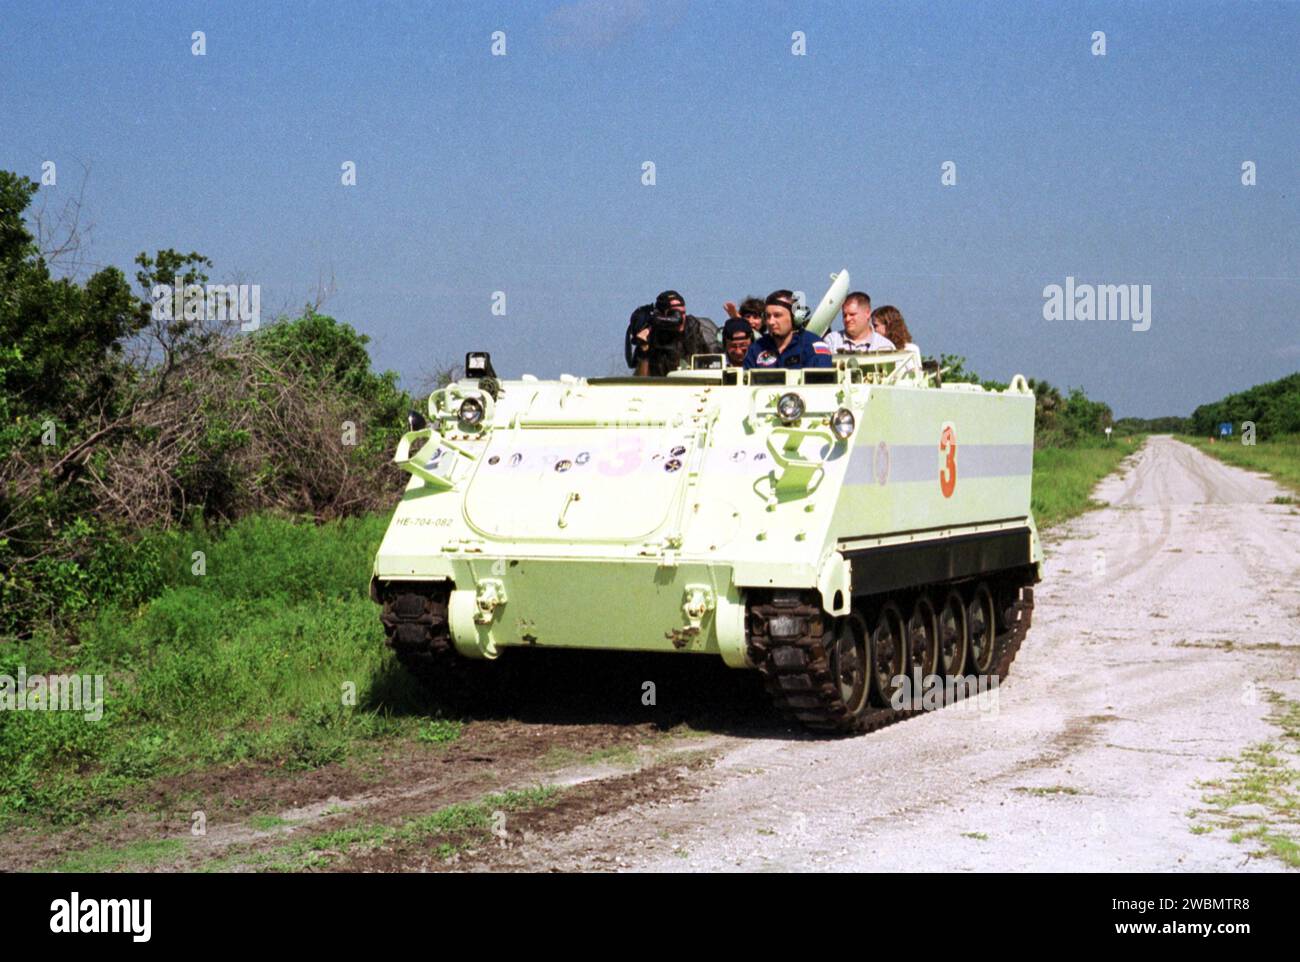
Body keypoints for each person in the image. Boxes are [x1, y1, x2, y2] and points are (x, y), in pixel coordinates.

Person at [629, 290, 719, 377]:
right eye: (675, 313)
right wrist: (644, 349)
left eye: (683, 313)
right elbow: (641, 380)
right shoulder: (652, 336)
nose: (680, 318)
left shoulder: (697, 330)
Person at [742, 290, 833, 370]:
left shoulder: (813, 346)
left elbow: (821, 385)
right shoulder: (756, 348)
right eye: (768, 316)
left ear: (795, 318)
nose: (771, 322)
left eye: (777, 315)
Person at [825, 291, 895, 353]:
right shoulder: (832, 341)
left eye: (852, 314)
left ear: (867, 313)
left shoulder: (885, 346)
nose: (847, 319)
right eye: (844, 315)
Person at [870, 305, 922, 373]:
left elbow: (915, 376)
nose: (873, 330)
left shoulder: (910, 349)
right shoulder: (874, 348)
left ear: (888, 325)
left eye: (875, 326)